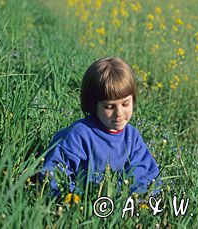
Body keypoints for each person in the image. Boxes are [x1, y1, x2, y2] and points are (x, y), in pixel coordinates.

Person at [41, 57, 161, 197]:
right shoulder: (79, 135)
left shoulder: (132, 137)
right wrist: (74, 199)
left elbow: (146, 175)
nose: (119, 113)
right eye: (109, 106)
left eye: (125, 104)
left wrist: (136, 200)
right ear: (93, 104)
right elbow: (53, 173)